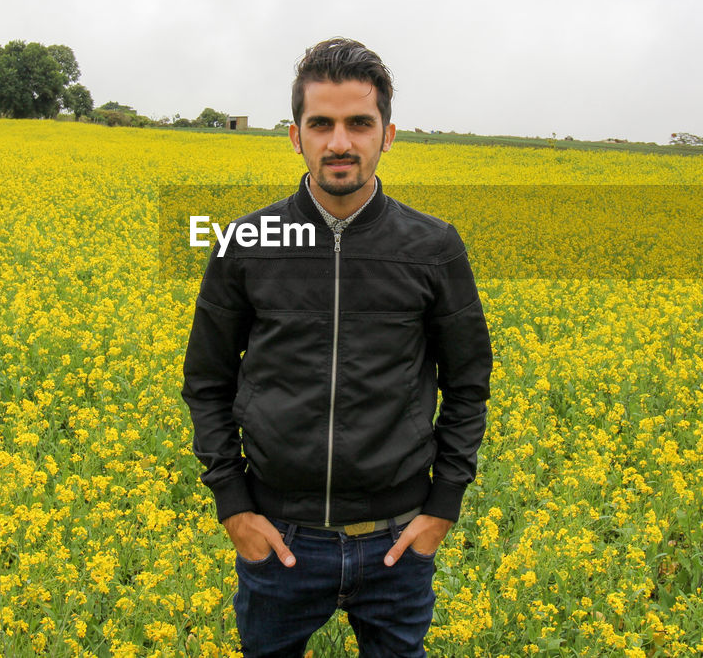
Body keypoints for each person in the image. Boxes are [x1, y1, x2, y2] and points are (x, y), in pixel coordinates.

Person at [182, 38, 493, 656]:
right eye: (320, 124)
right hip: (279, 539)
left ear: (388, 134)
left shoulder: (433, 247)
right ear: (296, 136)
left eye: (359, 123)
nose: (340, 142)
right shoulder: (244, 242)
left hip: (397, 542)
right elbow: (207, 381)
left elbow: (468, 383)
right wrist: (233, 506)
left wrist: (442, 509)